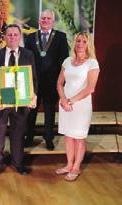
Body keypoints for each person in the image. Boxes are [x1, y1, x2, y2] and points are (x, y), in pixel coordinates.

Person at [0, 24, 37, 177]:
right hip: (1, 100)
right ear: (4, 37)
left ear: (20, 37)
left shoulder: (29, 55)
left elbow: (34, 79)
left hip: (21, 101)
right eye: (9, 35)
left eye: (15, 34)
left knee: (19, 133)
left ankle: (18, 163)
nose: (12, 37)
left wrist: (33, 95)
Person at [56, 32, 99, 181]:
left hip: (81, 106)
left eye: (84, 41)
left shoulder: (92, 63)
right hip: (65, 104)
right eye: (78, 41)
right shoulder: (67, 61)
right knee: (68, 136)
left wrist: (70, 101)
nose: (80, 44)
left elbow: (90, 88)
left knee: (79, 137)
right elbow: (59, 83)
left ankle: (76, 167)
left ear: (89, 44)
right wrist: (63, 99)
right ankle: (68, 165)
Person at [25, 9, 69, 150]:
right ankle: (29, 137)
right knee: (31, 111)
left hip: (52, 82)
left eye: (48, 18)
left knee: (50, 111)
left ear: (53, 21)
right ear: (39, 20)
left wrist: (61, 82)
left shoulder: (61, 37)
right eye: (43, 18)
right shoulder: (31, 37)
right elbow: (27, 60)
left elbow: (64, 61)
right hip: (34, 82)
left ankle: (49, 138)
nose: (45, 21)